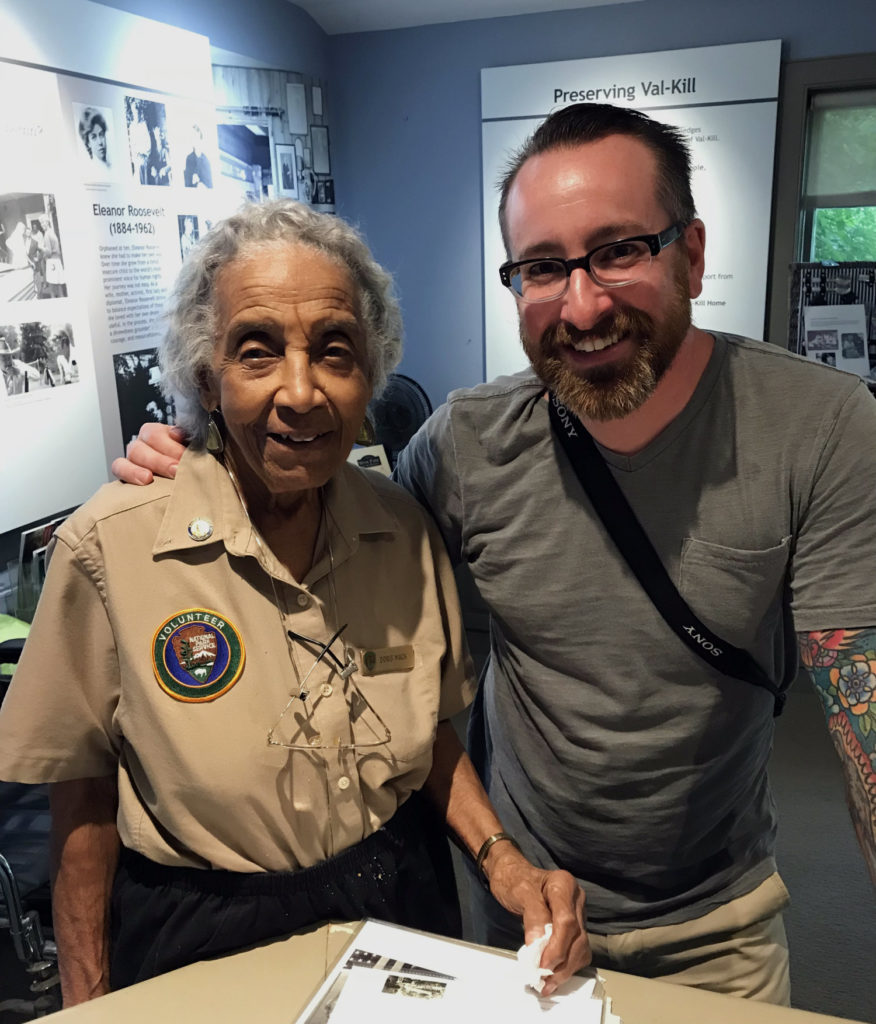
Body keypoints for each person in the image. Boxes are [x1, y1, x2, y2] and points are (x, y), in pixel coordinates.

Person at [117, 104, 876, 1005]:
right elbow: (328, 540)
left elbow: (864, 711)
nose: (583, 304)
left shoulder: (821, 429)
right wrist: (202, 460)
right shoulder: (463, 447)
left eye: (620, 250)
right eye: (545, 267)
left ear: (694, 254)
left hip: (719, 924)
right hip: (522, 922)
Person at [0, 199, 587, 1008]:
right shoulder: (114, 547)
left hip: (398, 897)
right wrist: (88, 1001)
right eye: (257, 351)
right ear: (207, 378)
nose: (301, 391)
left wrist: (501, 858)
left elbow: (430, 739)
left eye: (335, 351)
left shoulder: (403, 531)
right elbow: (83, 804)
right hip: (202, 927)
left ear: (369, 375)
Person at [40, 215, 66, 298]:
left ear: (47, 222)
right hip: (57, 260)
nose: (42, 225)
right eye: (41, 223)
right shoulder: (52, 232)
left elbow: (48, 252)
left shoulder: (47, 234)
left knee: (52, 288)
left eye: (43, 222)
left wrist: (41, 247)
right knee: (59, 285)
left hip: (51, 262)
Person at [78, 107, 111, 172]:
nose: (100, 142)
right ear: (88, 143)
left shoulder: (112, 167)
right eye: (94, 137)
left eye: (101, 135)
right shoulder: (91, 170)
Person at [183, 124, 213, 189]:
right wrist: (193, 182)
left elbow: (210, 186)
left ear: (200, 139)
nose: (195, 141)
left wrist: (200, 184)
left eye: (196, 138)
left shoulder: (206, 161)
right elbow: (187, 185)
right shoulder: (189, 159)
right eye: (193, 138)